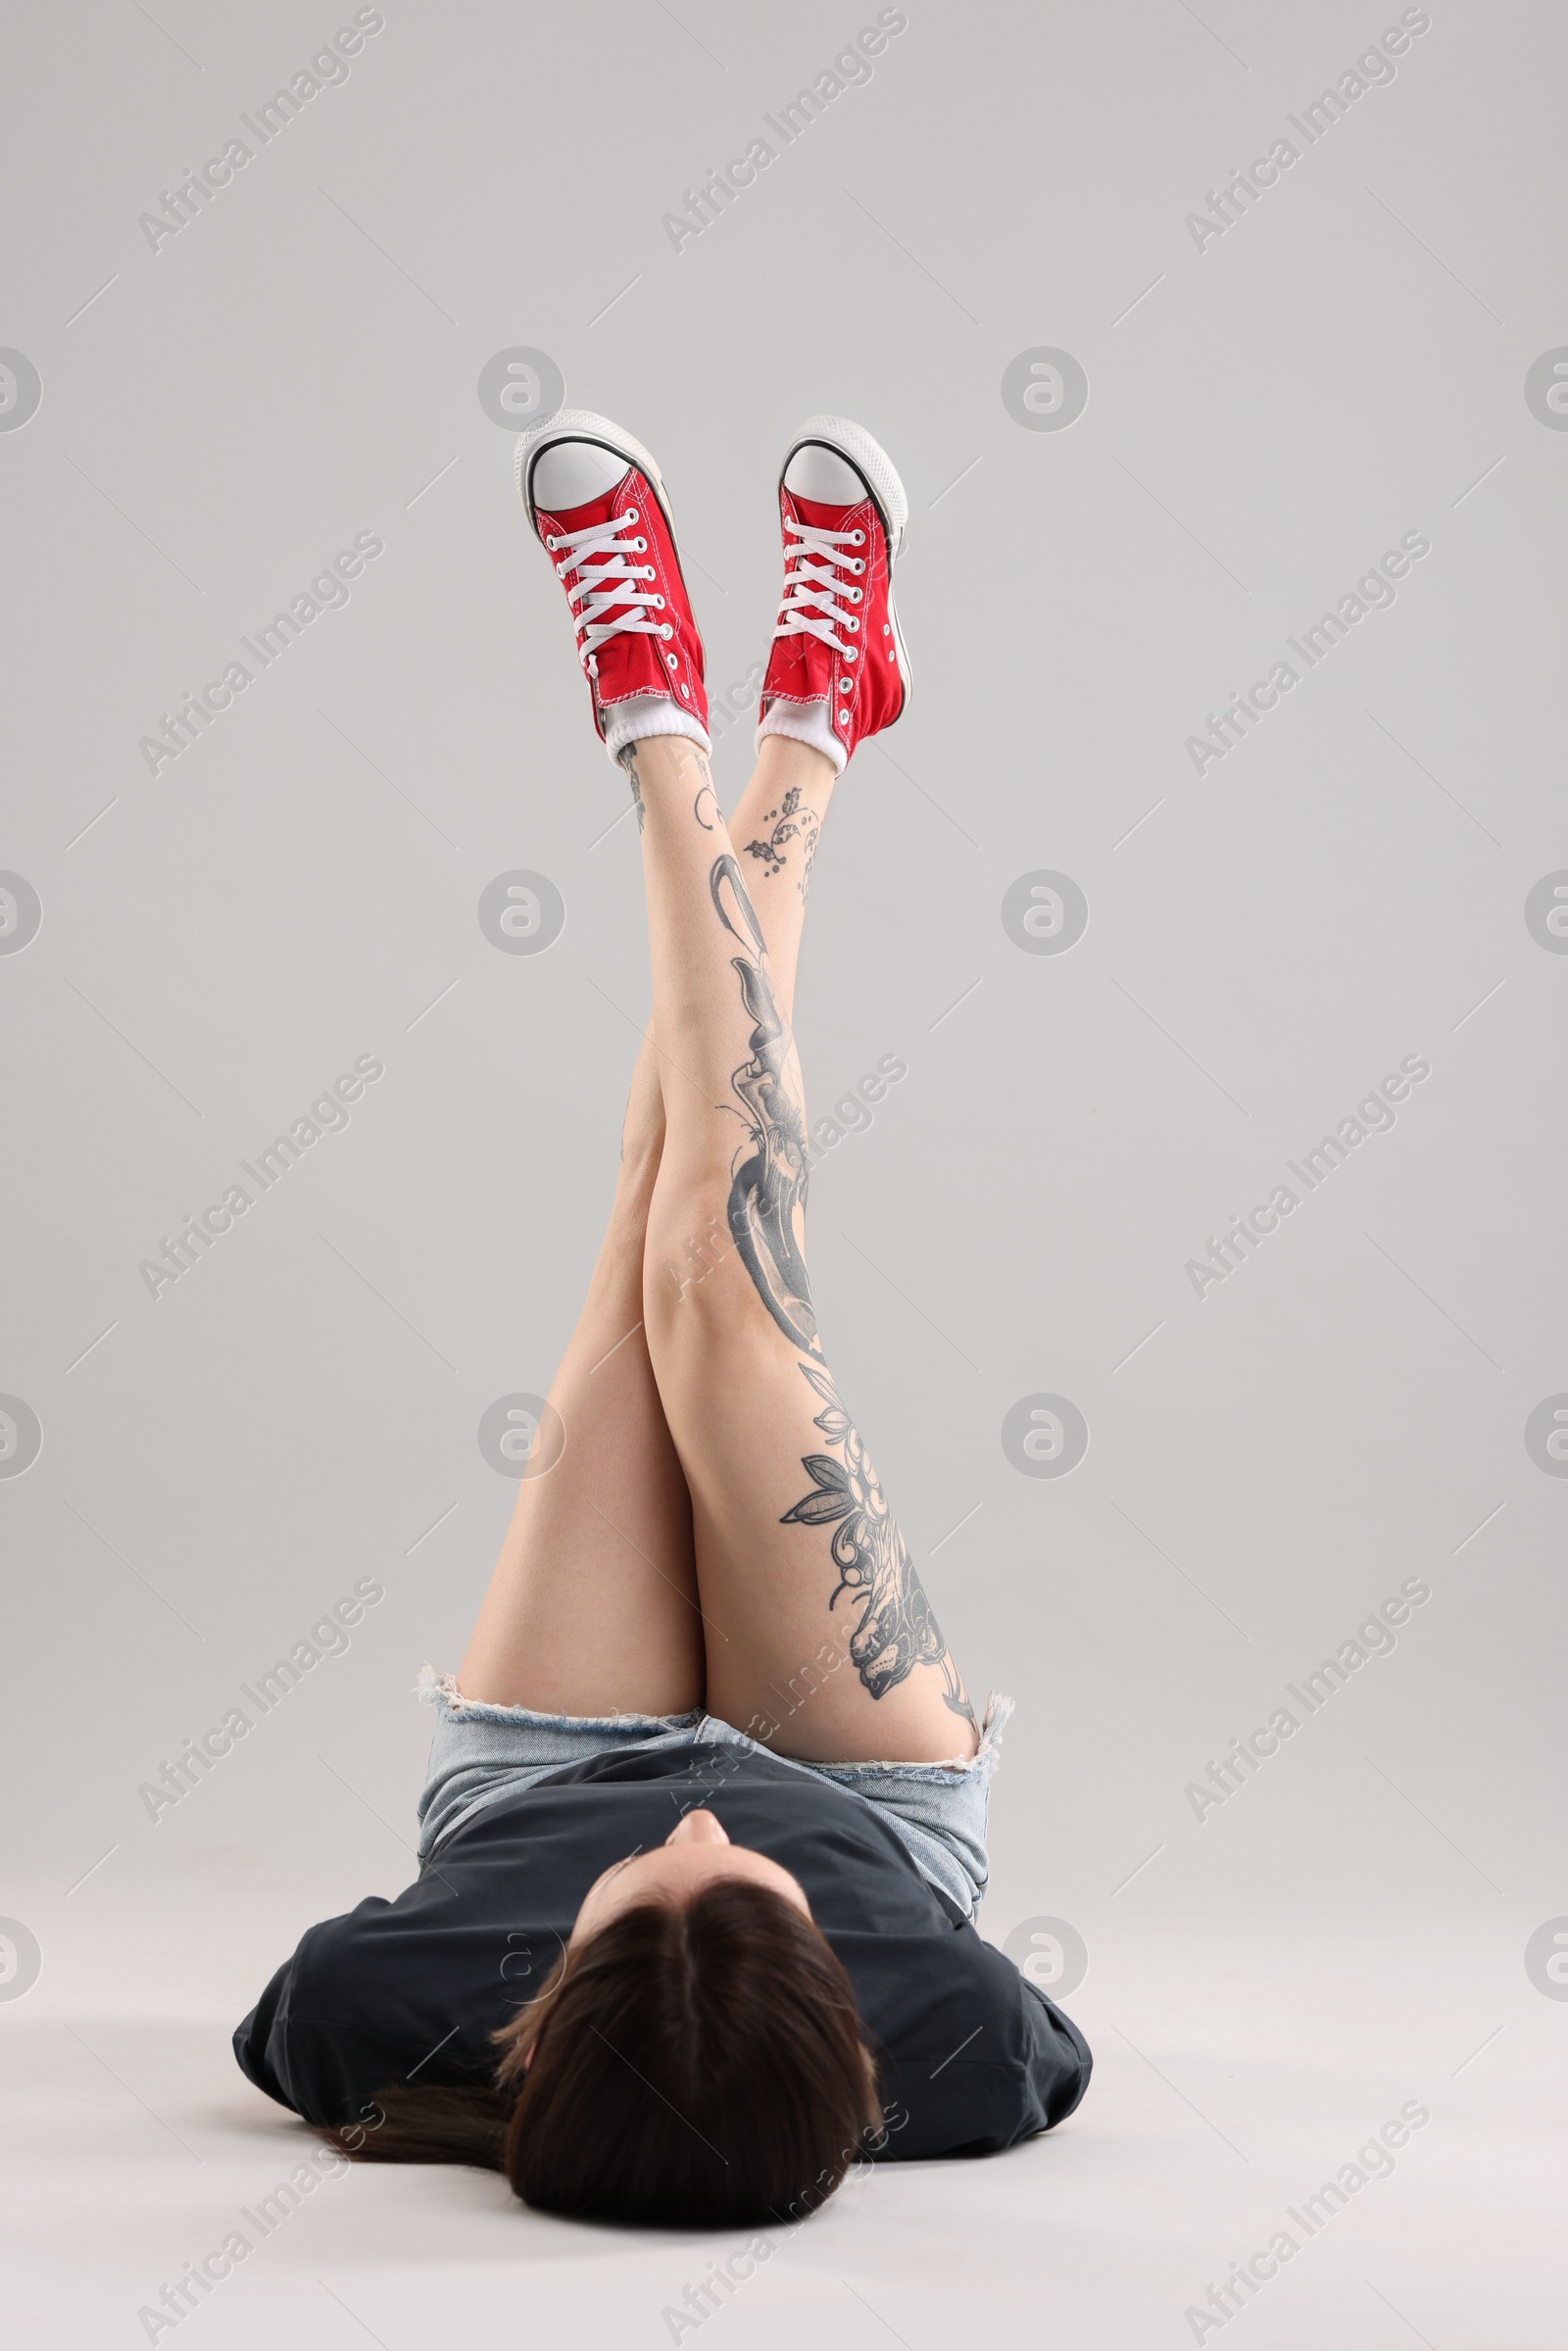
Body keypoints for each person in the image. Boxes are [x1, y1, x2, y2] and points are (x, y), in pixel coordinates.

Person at [234, 409, 1091, 2227]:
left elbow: (299, 2022)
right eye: (749, 1893)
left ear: (536, 2011)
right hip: (867, 1775)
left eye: (645, 1892)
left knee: (656, 1205)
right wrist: (792, 1897)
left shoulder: (366, 2023)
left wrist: (538, 2018)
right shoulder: (961, 2045)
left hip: (548, 1751)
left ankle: (801, 711)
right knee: (719, 1276)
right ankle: (672, 725)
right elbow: (1037, 2051)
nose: (701, 1823)